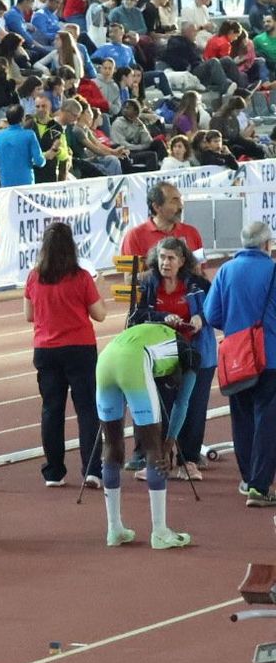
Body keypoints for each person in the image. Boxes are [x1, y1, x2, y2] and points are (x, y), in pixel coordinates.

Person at [93, 322, 195, 549]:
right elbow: (182, 403)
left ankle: (114, 529)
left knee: (111, 445)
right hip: (133, 361)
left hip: (106, 359)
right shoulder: (189, 354)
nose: (171, 384)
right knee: (153, 449)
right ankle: (159, 532)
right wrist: (168, 444)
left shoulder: (158, 333)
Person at [24, 221, 106, 488]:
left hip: (46, 349)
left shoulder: (34, 277)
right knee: (87, 410)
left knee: (51, 410)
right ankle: (92, 468)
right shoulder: (81, 277)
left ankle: (54, 472)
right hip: (79, 348)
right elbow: (100, 314)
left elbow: (29, 315)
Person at [128, 236, 214, 482]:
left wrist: (201, 318)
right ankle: (156, 461)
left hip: (195, 353)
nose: (165, 262)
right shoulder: (147, 283)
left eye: (171, 258)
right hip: (160, 354)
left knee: (193, 409)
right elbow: (137, 315)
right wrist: (162, 316)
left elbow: (214, 309)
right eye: (162, 257)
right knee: (160, 408)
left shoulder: (198, 284)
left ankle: (188, 460)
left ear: (182, 260)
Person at [203, 220, 276, 505]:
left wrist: (237, 328)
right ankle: (259, 485)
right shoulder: (272, 270)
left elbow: (211, 315)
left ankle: (247, 479)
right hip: (270, 356)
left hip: (236, 357)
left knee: (242, 419)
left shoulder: (226, 271)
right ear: (266, 244)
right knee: (267, 421)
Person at [120, 182, 205, 261]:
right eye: (174, 201)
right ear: (156, 207)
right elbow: (129, 276)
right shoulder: (133, 237)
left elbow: (201, 270)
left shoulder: (192, 233)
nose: (181, 206)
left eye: (180, 200)